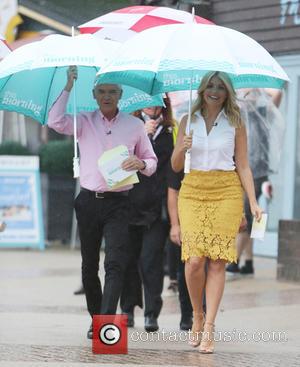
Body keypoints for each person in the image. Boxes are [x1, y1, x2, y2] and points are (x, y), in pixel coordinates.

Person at [47, 66, 157, 339]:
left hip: (119, 203)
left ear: (120, 95)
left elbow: (152, 163)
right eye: (102, 92)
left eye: (112, 92)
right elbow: (54, 120)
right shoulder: (83, 121)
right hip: (88, 202)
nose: (107, 96)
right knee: (88, 266)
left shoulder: (134, 126)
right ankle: (96, 317)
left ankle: (106, 323)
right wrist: (68, 86)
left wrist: (141, 162)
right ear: (94, 95)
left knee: (115, 264)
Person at [171, 71, 263, 354]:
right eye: (210, 85)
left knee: (217, 262)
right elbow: (174, 167)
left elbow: (244, 166)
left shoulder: (236, 122)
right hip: (194, 190)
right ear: (202, 90)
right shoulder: (187, 121)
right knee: (195, 260)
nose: (214, 91)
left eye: (220, 87)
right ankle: (197, 314)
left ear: (227, 92)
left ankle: (209, 326)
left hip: (226, 190)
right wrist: (181, 147)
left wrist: (254, 202)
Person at [120, 99, 174, 332]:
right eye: (149, 102)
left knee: (151, 261)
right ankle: (127, 309)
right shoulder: (129, 126)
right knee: (127, 259)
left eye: (158, 102)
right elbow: (118, 157)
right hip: (129, 203)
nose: (153, 107)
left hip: (157, 207)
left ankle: (152, 313)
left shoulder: (171, 131)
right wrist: (141, 135)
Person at [226, 88, 282, 275]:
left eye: (249, 95)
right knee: (245, 216)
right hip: (238, 171)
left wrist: (255, 87)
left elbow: (277, 93)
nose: (246, 97)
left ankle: (234, 260)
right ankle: (248, 261)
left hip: (257, 173)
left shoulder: (263, 114)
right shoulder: (236, 117)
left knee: (247, 216)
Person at [167, 164, 193, 330]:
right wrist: (175, 224)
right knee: (189, 266)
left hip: (214, 213)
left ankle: (204, 312)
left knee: (212, 266)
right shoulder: (184, 154)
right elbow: (173, 191)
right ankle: (187, 314)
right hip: (187, 218)